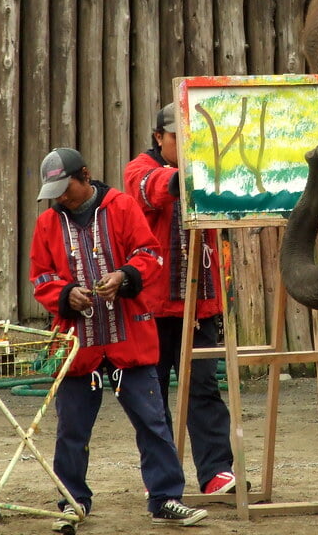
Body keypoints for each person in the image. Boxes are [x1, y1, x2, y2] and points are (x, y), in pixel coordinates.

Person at [29, 147, 209, 532]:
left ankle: (165, 498)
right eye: (55, 191)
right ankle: (72, 500)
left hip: (129, 340)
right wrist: (65, 295)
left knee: (152, 422)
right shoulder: (46, 224)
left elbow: (150, 254)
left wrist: (123, 277)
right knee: (71, 430)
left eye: (66, 188)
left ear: (86, 175)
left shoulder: (122, 207)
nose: (61, 197)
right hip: (80, 347)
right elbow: (41, 278)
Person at [124, 103, 240, 496]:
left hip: (200, 305)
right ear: (159, 137)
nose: (187, 146)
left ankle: (216, 472)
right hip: (152, 309)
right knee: (150, 396)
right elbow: (153, 188)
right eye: (179, 138)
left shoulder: (210, 166)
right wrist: (194, 172)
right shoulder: (138, 169)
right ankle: (160, 479)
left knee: (204, 388)